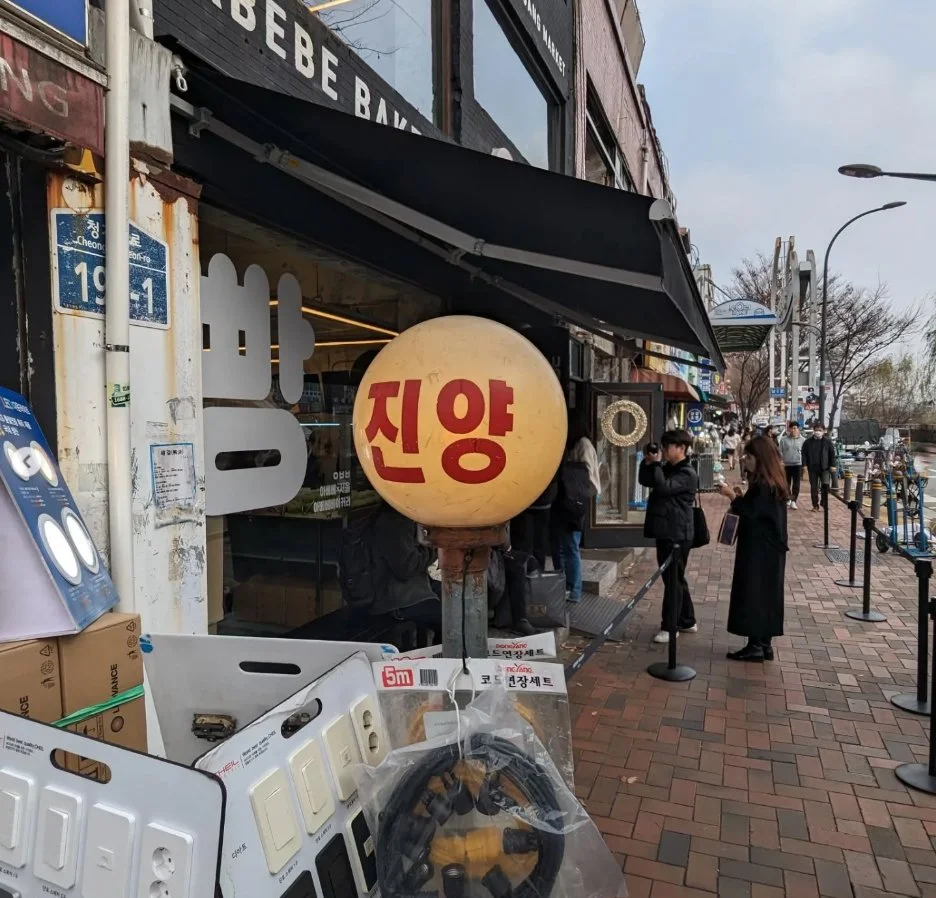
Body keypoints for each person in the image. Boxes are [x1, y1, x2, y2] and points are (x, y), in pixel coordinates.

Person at [719, 436, 789, 661]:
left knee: (754, 592)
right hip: (770, 548)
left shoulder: (764, 485)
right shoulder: (773, 481)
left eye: (749, 456)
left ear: (761, 459)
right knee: (767, 594)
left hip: (759, 548)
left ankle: (755, 645)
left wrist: (732, 496)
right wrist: (741, 497)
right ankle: (764, 643)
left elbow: (751, 513)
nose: (744, 460)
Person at [639, 429, 698, 644]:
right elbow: (646, 480)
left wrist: (656, 465)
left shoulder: (686, 473)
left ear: (681, 448)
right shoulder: (668, 468)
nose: (663, 450)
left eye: (667, 446)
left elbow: (663, 488)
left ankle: (671, 627)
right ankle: (687, 620)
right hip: (667, 531)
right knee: (675, 578)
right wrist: (648, 463)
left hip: (677, 534)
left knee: (673, 581)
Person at [370, 502, 441, 635]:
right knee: (450, 618)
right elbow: (407, 568)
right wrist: (433, 549)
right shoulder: (392, 522)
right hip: (398, 599)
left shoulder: (404, 517)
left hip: (416, 587)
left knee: (458, 600)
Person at [552, 415, 600, 605]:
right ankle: (565, 586)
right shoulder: (576, 444)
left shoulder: (583, 445)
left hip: (574, 501)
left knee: (570, 546)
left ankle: (574, 589)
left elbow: (585, 474)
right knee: (562, 546)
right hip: (568, 500)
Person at [802, 423, 836, 511]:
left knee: (825, 486)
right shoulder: (808, 442)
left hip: (825, 467)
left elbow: (832, 454)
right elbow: (803, 454)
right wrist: (804, 465)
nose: (818, 432)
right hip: (812, 468)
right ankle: (815, 505)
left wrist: (833, 465)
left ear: (823, 431)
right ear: (813, 431)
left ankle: (824, 502)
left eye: (820, 430)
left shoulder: (828, 441)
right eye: (816, 430)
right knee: (814, 487)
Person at [778, 422, 805, 509]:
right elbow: (780, 452)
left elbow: (805, 453)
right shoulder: (783, 439)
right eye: (792, 428)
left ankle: (794, 501)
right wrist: (781, 462)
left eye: (795, 428)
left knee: (796, 484)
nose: (793, 430)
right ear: (789, 429)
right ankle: (788, 498)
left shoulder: (803, 440)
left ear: (798, 429)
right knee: (786, 483)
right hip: (786, 464)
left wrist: (804, 465)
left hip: (798, 464)